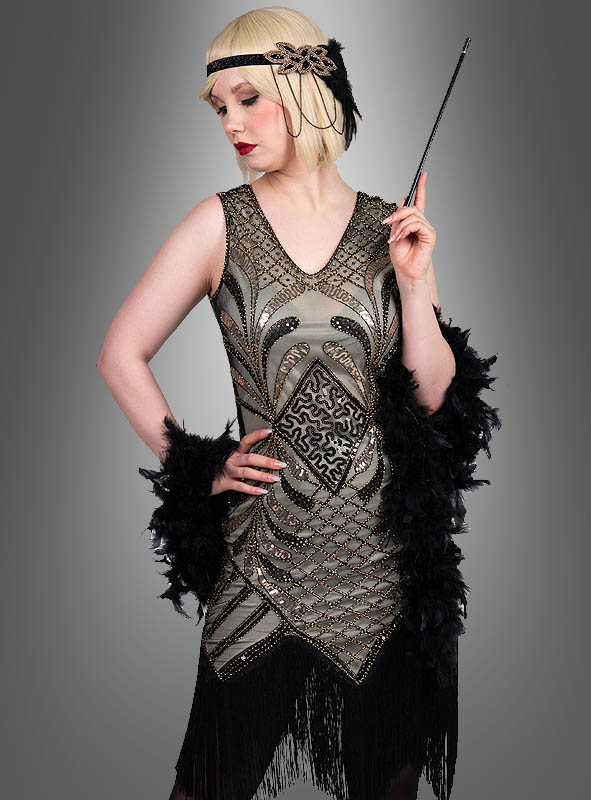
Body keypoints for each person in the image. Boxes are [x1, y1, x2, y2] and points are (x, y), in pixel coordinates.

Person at [97, 7, 500, 800]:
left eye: (248, 99)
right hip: (264, 572)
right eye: (220, 108)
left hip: (384, 571)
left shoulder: (389, 228)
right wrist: (197, 465)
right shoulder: (219, 223)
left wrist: (413, 282)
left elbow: (429, 397)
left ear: (306, 91)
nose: (231, 124)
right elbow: (120, 354)